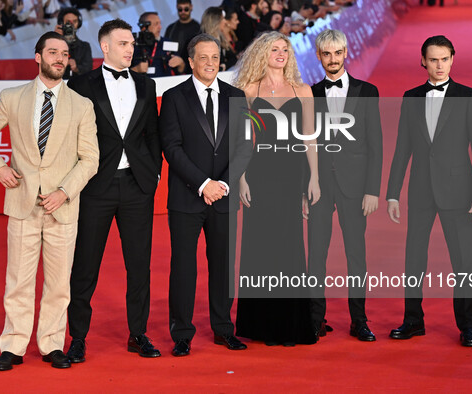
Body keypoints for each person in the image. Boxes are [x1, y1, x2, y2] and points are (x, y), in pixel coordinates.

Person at [0, 31, 99, 371]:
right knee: (18, 281)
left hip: (62, 208)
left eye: (64, 53)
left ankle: (51, 344)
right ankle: (13, 346)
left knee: (59, 284)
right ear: (37, 57)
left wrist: (65, 191)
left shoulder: (82, 105)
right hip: (22, 204)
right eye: (52, 52)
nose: (60, 58)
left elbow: (90, 158)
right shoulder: (12, 96)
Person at [66, 19, 163, 362]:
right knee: (85, 265)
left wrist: (153, 175)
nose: (130, 48)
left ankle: (138, 333)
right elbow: (71, 137)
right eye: (122, 43)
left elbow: (152, 133)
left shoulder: (145, 84)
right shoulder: (80, 85)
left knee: (139, 265)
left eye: (131, 43)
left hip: (138, 186)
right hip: (96, 187)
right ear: (104, 47)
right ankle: (77, 337)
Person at [386, 35, 472, 347]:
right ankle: (413, 321)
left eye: (444, 59)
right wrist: (392, 192)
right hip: (420, 189)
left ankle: (468, 327)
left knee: (463, 262)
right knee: (414, 259)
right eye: (433, 59)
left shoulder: (468, 96)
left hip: (459, 191)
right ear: (423, 62)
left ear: (452, 59)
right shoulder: (411, 97)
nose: (439, 65)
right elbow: (402, 147)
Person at [160, 33, 252, 356]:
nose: (210, 63)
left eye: (215, 57)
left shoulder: (235, 95)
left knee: (223, 267)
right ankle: (182, 332)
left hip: (224, 197)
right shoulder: (173, 98)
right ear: (191, 61)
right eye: (203, 57)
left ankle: (224, 328)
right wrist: (203, 184)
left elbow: (244, 146)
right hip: (187, 197)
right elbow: (171, 148)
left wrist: (224, 184)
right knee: (184, 267)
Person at [233, 30, 320, 346]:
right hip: (259, 173)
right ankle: (261, 324)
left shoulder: (303, 91)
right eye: (274, 49)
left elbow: (310, 137)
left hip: (291, 174)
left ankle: (290, 324)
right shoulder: (247, 91)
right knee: (260, 244)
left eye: (285, 49)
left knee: (290, 244)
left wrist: (314, 178)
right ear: (262, 54)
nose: (281, 53)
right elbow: (242, 139)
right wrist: (241, 177)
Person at [307, 29, 382, 341]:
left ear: (346, 53)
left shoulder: (368, 91)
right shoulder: (310, 93)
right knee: (316, 256)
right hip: (319, 187)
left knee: (356, 255)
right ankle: (314, 319)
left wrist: (372, 190)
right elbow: (305, 143)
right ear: (319, 57)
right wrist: (304, 188)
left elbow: (375, 144)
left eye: (337, 53)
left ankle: (359, 320)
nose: (333, 60)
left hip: (355, 186)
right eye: (327, 54)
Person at [131, 12, 185, 77]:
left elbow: (180, 71)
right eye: (156, 24)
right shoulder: (132, 46)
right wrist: (136, 69)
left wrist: (181, 63)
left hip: (167, 84)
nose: (160, 27)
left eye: (160, 23)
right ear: (144, 27)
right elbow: (121, 75)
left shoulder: (168, 42)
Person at [55, 7, 92, 79]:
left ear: (79, 23)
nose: (71, 25)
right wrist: (55, 38)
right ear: (61, 23)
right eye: (68, 22)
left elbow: (88, 68)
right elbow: (44, 66)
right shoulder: (53, 43)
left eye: (74, 21)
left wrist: (76, 68)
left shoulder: (85, 46)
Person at [164, 0, 200, 71]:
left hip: (193, 69)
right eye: (180, 9)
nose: (183, 12)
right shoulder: (171, 28)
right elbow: (165, 48)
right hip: (173, 68)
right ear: (176, 8)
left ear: (191, 7)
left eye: (186, 9)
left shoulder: (198, 28)